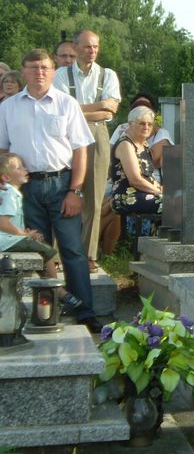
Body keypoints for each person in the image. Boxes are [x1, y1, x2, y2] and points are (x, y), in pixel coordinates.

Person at [0, 49, 100, 332]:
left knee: (72, 250)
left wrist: (76, 191)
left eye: (44, 67)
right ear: (23, 71)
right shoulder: (8, 107)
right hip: (26, 188)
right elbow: (2, 150)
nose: (39, 73)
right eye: (33, 68)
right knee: (38, 253)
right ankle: (43, 312)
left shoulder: (66, 104)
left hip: (61, 184)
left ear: (53, 71)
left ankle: (85, 311)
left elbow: (80, 150)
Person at [53, 29, 121, 273]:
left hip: (97, 133)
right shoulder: (61, 74)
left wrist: (79, 109)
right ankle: (56, 254)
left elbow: (110, 112)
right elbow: (61, 110)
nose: (92, 51)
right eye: (87, 46)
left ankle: (88, 254)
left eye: (95, 46)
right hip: (65, 134)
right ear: (76, 47)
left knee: (93, 197)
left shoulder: (108, 74)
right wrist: (99, 105)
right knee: (61, 192)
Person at [0, 153, 83, 310]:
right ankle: (58, 290)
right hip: (5, 241)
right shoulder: (9, 194)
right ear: (6, 177)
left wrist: (24, 233)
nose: (25, 169)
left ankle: (52, 293)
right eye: (19, 167)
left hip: (9, 238)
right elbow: (3, 223)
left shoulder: (12, 193)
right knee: (46, 250)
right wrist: (24, 235)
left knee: (41, 246)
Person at [110, 106, 163, 216]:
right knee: (171, 204)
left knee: (180, 200)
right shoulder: (126, 145)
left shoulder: (144, 145)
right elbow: (135, 180)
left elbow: (148, 176)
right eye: (142, 123)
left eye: (150, 124)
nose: (146, 127)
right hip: (128, 196)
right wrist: (159, 191)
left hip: (145, 193)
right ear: (130, 124)